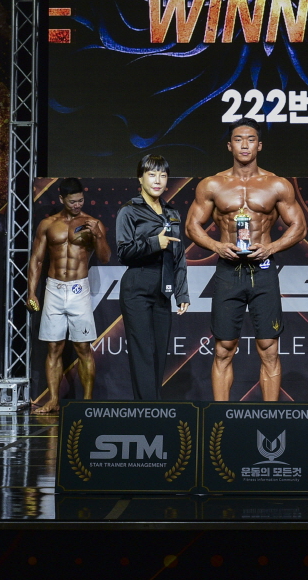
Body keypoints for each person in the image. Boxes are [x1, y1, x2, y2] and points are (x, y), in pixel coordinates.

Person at [185, 124, 306, 403]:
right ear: (229, 145)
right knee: (224, 348)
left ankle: (270, 418)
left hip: (263, 270)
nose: (244, 145)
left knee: (269, 347)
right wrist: (217, 246)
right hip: (228, 271)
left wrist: (271, 247)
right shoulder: (212, 184)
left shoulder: (277, 184)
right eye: (238, 139)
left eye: (250, 139)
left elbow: (299, 227)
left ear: (259, 145)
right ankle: (221, 417)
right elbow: (192, 226)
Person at [27, 179, 110, 413]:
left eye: (80, 200)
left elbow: (105, 258)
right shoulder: (48, 224)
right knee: (54, 347)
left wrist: (98, 236)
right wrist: (31, 292)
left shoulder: (92, 223)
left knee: (83, 347)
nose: (77, 205)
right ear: (61, 199)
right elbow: (37, 260)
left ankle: (87, 402)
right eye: (72, 201)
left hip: (78, 289)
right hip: (53, 288)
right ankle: (53, 400)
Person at [115, 154, 191, 400]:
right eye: (152, 174)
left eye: (163, 175)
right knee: (143, 353)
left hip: (163, 287)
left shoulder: (172, 213)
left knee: (159, 352)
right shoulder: (129, 210)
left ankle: (153, 406)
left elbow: (178, 255)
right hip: (137, 285)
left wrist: (182, 293)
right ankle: (147, 410)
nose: (157, 180)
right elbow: (123, 253)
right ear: (140, 178)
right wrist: (154, 243)